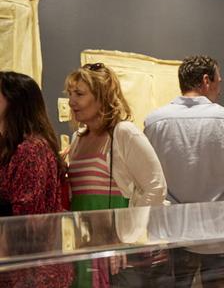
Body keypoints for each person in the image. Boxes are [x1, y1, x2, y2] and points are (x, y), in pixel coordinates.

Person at [144, 55, 224, 288]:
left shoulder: (153, 121)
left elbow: (150, 173)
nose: (220, 87)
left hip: (173, 232)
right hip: (220, 231)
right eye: (218, 80)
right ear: (206, 80)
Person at [65, 63, 167, 287]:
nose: (72, 101)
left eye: (79, 94)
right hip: (85, 244)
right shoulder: (77, 139)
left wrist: (127, 238)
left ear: (102, 97)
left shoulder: (123, 133)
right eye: (70, 94)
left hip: (117, 251)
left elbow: (156, 187)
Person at [0, 71, 73, 287]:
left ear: (15, 101)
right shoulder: (11, 147)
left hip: (30, 271)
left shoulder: (32, 149)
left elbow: (26, 219)